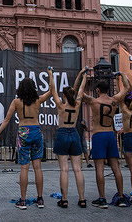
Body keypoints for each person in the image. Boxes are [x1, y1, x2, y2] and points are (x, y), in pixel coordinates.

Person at [0, 69, 52, 210]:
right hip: (36, 131)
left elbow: (6, 120)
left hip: (23, 133)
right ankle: (40, 199)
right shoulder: (38, 99)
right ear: (33, 88)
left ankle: (23, 200)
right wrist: (50, 74)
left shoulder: (16, 102)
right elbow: (51, 90)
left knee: (24, 167)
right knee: (37, 167)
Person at [80, 72, 130, 208]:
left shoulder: (94, 101)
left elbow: (79, 93)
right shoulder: (114, 101)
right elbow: (126, 87)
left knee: (99, 168)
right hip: (110, 135)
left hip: (98, 135)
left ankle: (102, 199)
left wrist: (83, 77)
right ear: (108, 90)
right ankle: (120, 197)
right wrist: (121, 75)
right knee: (116, 168)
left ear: (97, 90)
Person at [49, 66, 87, 208]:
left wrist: (51, 74)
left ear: (64, 96)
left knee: (64, 169)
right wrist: (83, 75)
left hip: (63, 133)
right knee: (78, 169)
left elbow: (52, 90)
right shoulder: (77, 105)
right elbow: (81, 89)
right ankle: (82, 199)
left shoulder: (61, 106)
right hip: (74, 133)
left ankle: (64, 200)